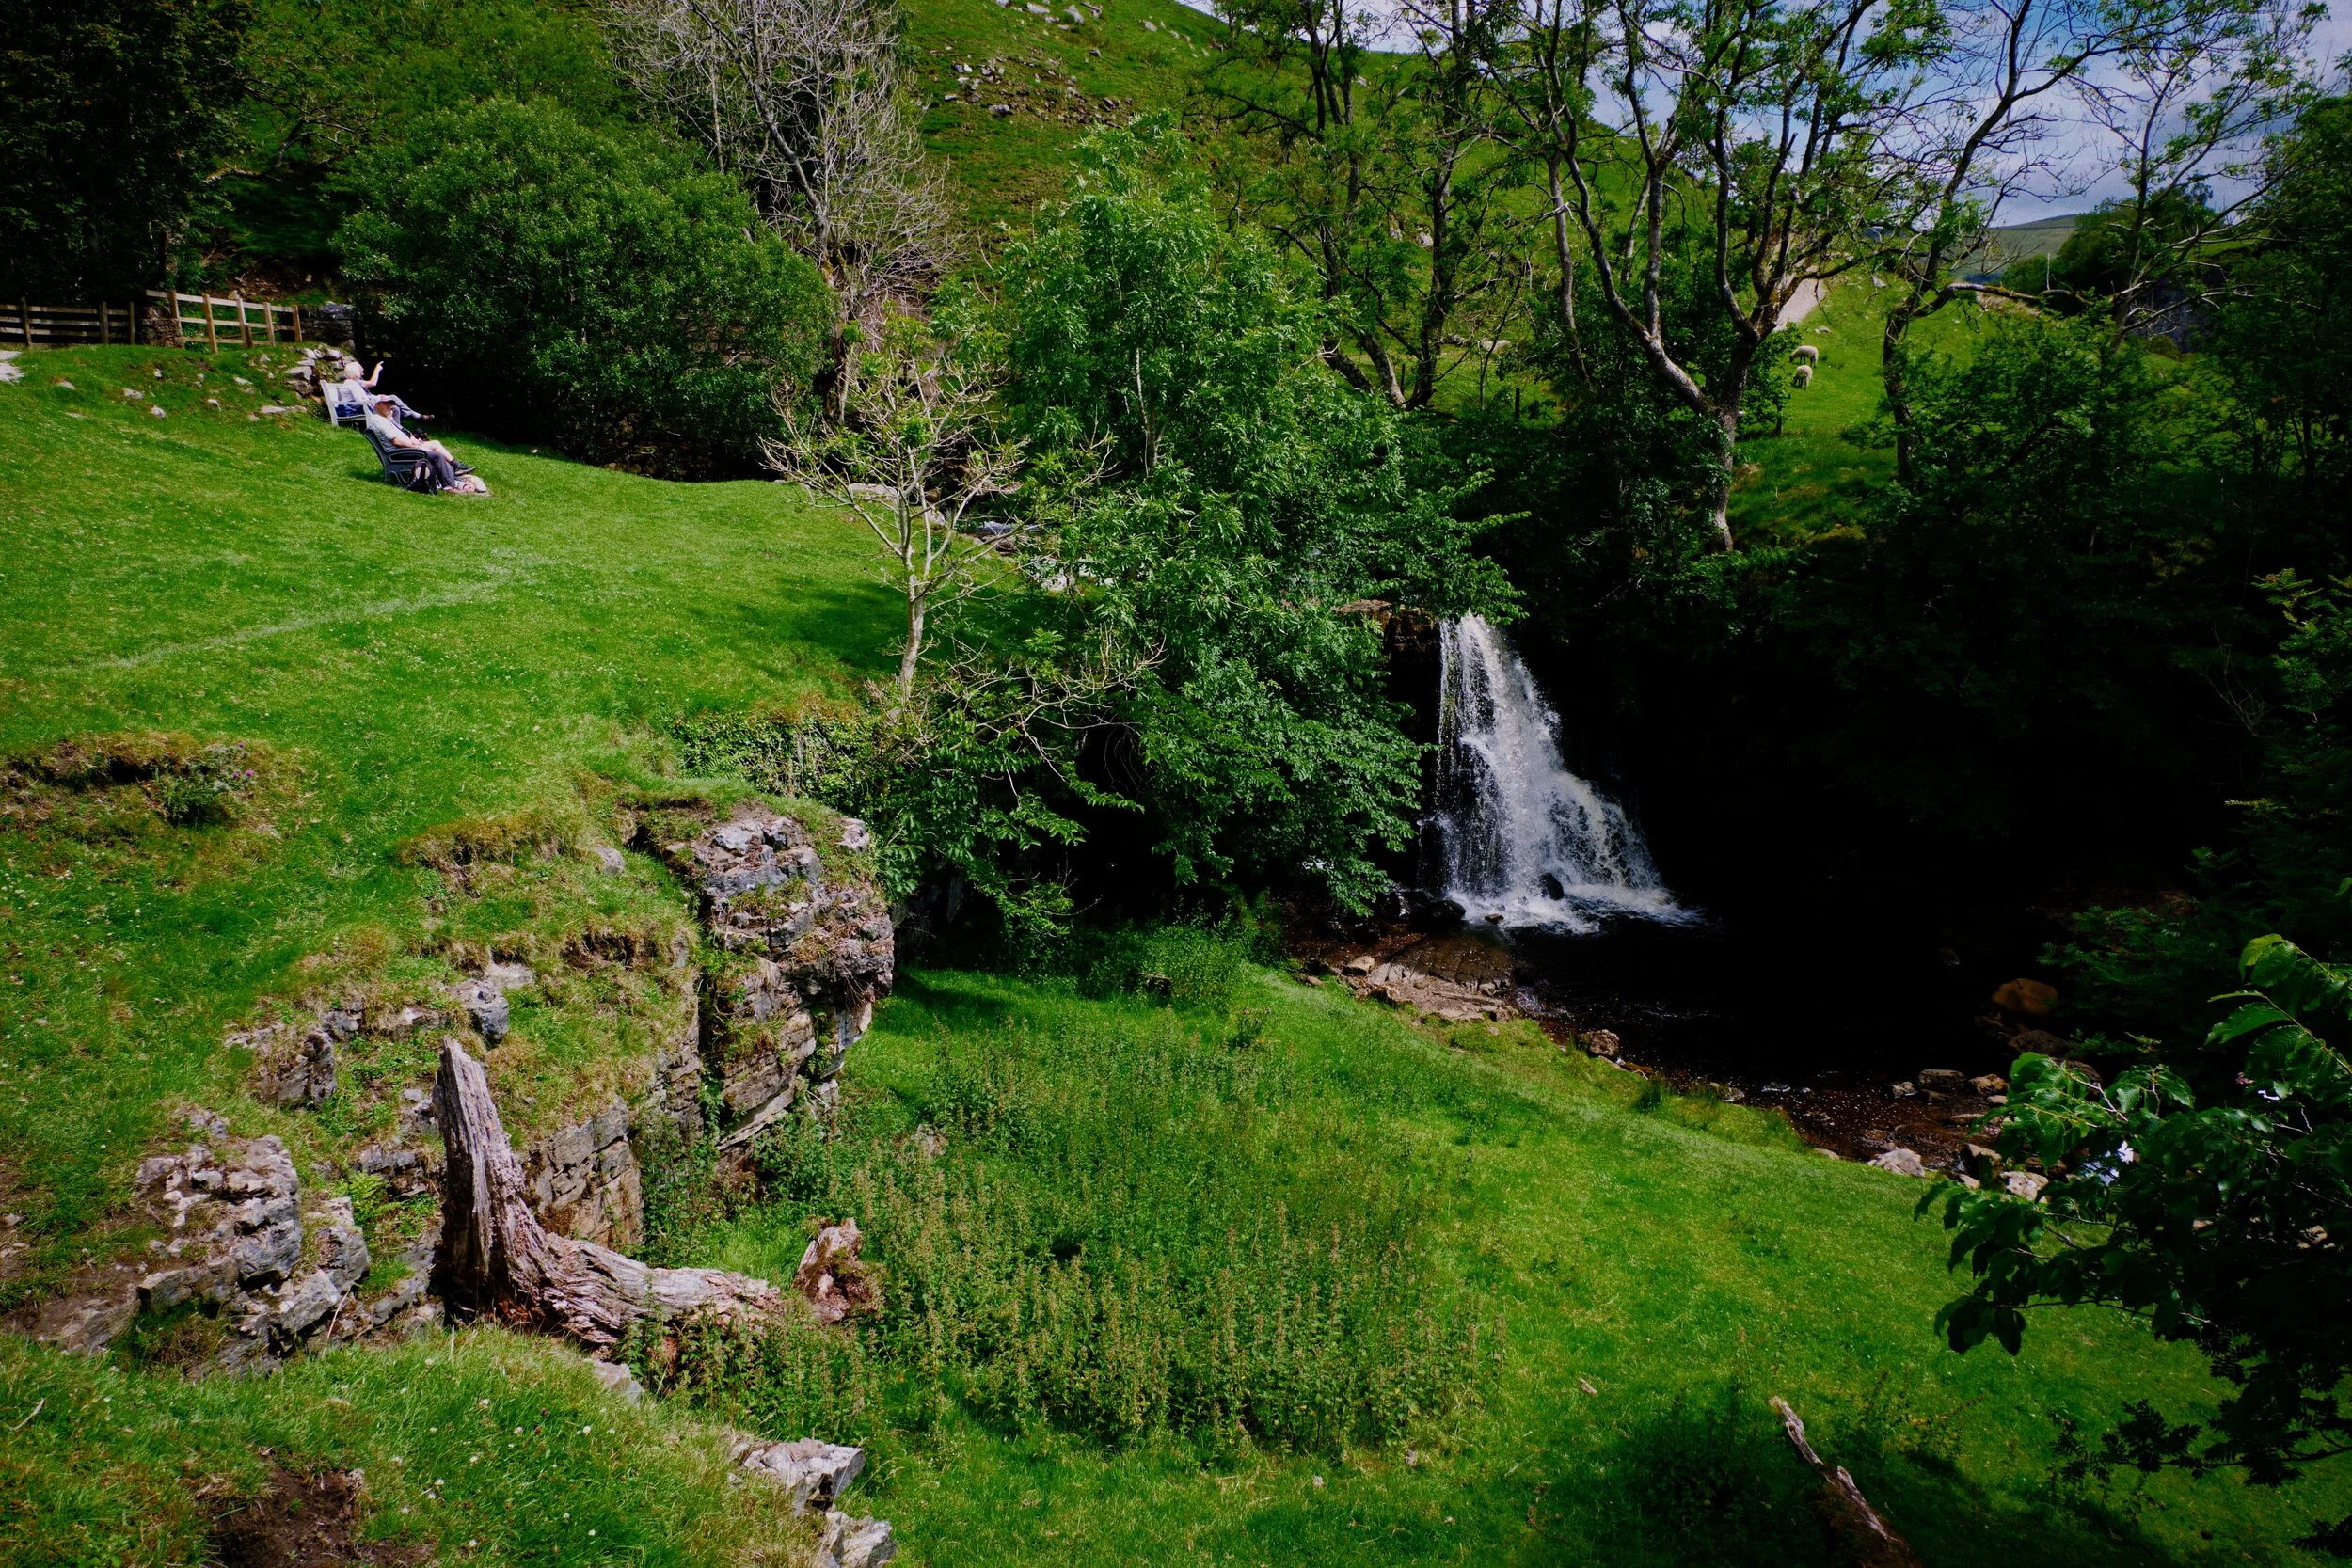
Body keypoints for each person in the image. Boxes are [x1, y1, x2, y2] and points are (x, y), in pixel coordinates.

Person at [365, 396, 487, 494]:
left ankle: (453, 476)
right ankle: (449, 486)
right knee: (436, 455)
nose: (389, 407)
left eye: (389, 405)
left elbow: (401, 435)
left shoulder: (384, 419)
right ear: (377, 405)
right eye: (385, 405)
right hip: (399, 453)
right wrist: (416, 447)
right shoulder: (379, 421)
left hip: (403, 449)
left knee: (435, 449)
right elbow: (396, 441)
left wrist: (413, 440)